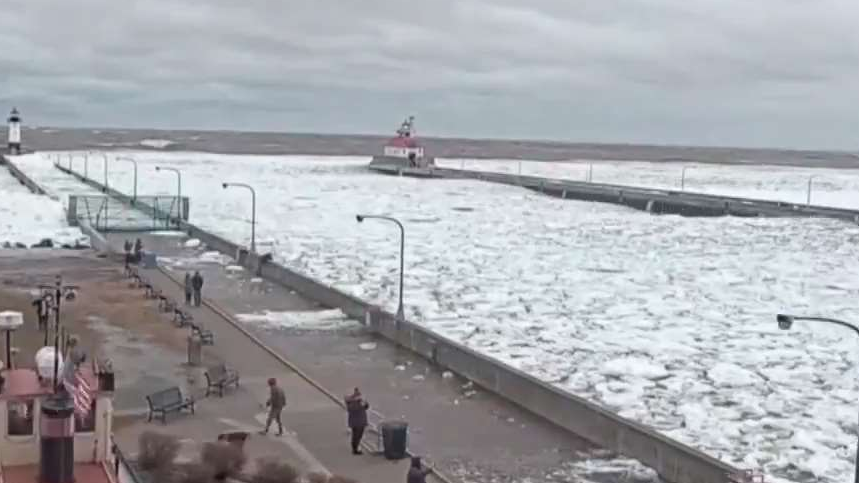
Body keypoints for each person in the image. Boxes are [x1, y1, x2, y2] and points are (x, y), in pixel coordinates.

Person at [344, 388, 369, 455]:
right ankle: (355, 449)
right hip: (357, 422)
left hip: (360, 421)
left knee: (358, 436)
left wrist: (364, 402)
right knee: (357, 436)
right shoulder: (351, 402)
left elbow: (366, 406)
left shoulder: (360, 401)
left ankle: (355, 448)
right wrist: (358, 402)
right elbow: (353, 409)